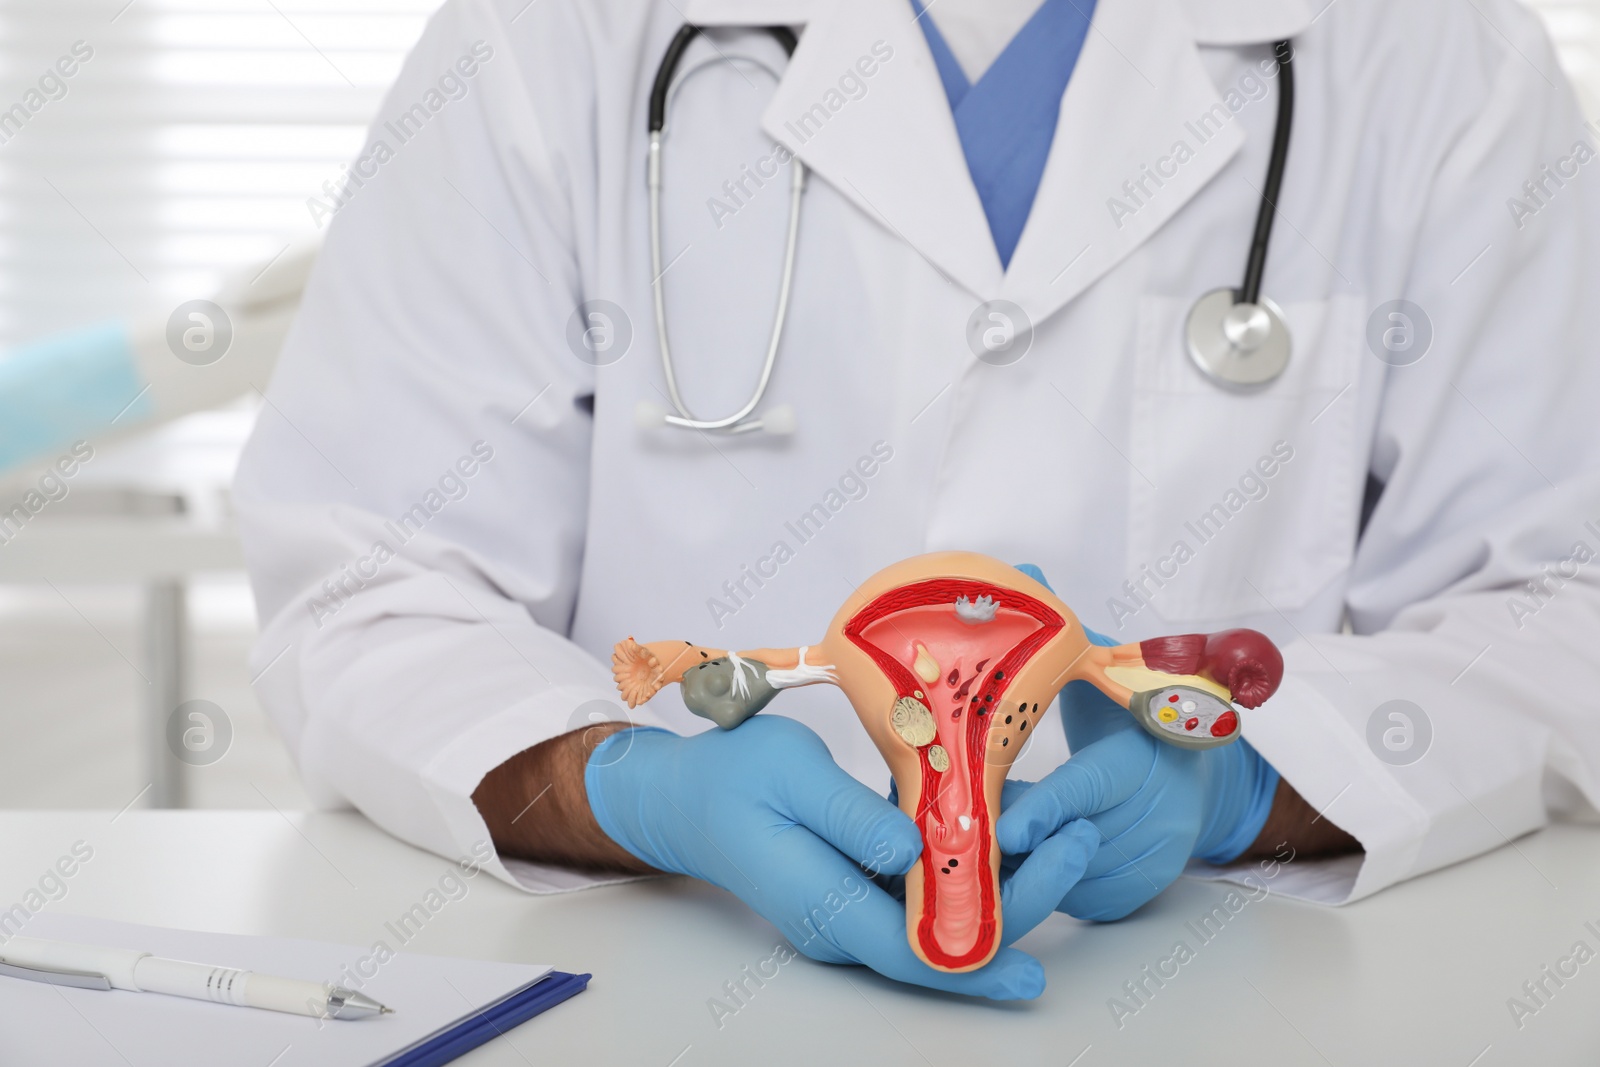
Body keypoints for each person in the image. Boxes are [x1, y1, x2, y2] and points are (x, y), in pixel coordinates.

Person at [234, 0, 1600, 1000]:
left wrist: (1258, 780)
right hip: (657, 993)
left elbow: (1564, 601)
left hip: (1239, 998)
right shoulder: (555, 38)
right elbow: (370, 577)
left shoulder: (1441, 55)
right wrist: (630, 787)